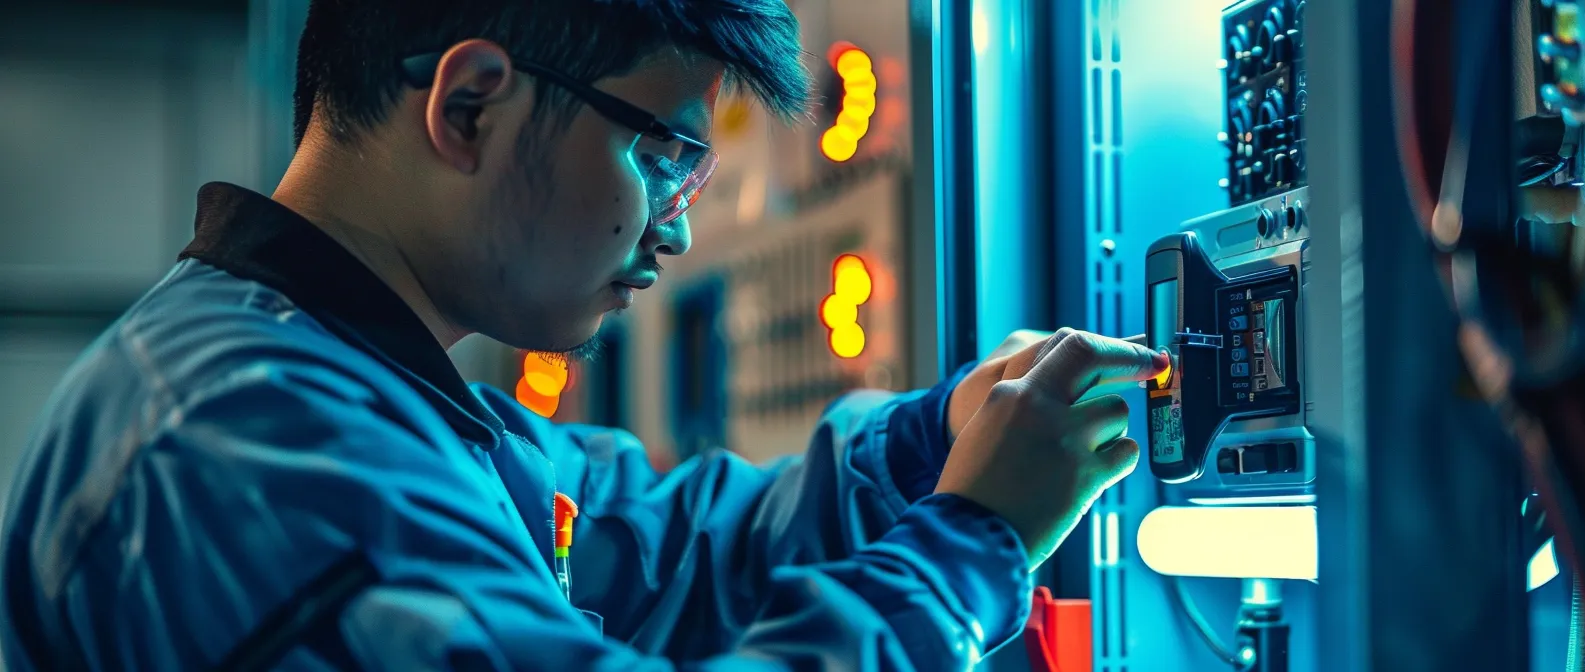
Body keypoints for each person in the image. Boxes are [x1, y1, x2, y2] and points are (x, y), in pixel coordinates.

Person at [0, 1, 1165, 669]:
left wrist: (931, 442)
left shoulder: (369, 394)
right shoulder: (243, 450)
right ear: (471, 105)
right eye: (663, 157)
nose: (677, 229)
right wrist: (968, 549)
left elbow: (669, 549)